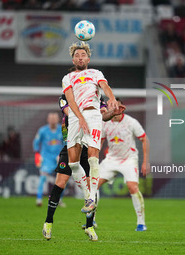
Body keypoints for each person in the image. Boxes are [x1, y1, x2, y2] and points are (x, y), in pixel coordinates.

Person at [43, 42, 119, 241]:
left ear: (88, 58)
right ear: (73, 59)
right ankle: (48, 222)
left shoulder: (96, 79)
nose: (80, 57)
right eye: (77, 55)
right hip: (74, 132)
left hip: (89, 131)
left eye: (83, 54)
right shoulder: (67, 85)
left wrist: (111, 108)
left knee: (94, 162)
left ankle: (89, 222)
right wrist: (81, 117)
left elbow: (103, 114)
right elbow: (68, 110)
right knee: (63, 178)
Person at [97, 98, 150, 231]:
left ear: (121, 107)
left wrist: (145, 162)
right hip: (111, 159)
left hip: (129, 159)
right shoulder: (105, 123)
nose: (114, 109)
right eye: (111, 106)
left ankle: (141, 223)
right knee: (93, 185)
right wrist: (94, 158)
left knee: (132, 187)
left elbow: (144, 139)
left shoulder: (131, 122)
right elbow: (100, 141)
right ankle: (91, 221)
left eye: (117, 106)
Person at [33, 112, 63, 206]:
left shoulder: (62, 130)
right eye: (51, 119)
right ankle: (39, 199)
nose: (53, 121)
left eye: (55, 119)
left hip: (58, 157)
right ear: (48, 120)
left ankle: (59, 200)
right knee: (43, 177)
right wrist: (37, 154)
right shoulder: (42, 130)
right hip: (46, 158)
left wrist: (63, 154)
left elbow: (66, 142)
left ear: (58, 119)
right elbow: (36, 143)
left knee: (62, 179)